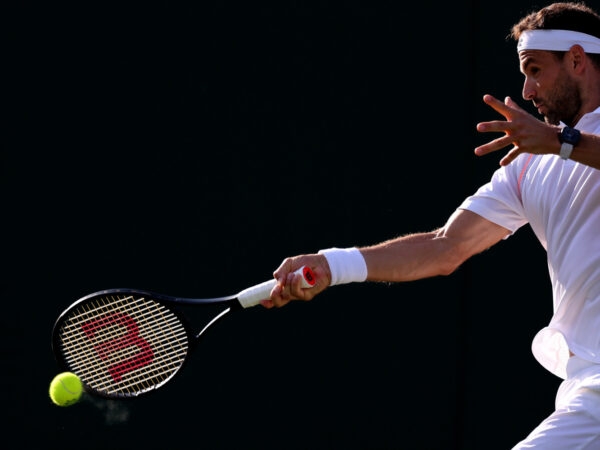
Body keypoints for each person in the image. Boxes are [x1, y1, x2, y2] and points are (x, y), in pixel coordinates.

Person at [263, 2, 600, 449]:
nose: (527, 89)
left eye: (535, 70)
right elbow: (445, 247)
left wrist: (561, 141)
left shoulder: (553, 143)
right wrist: (332, 265)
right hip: (586, 384)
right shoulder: (526, 168)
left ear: (576, 60)